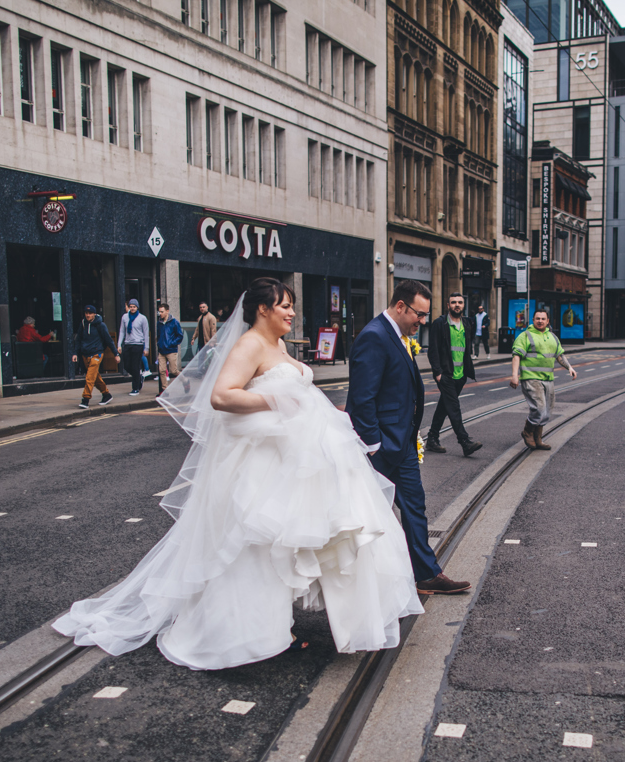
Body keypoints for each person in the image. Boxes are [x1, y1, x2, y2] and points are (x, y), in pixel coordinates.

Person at [53, 279, 423, 669]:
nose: (291, 313)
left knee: (280, 546)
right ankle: (245, 633)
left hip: (294, 459)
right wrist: (277, 399)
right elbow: (221, 395)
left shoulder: (278, 345)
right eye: (284, 306)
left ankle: (282, 625)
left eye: (292, 306)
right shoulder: (249, 344)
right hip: (263, 461)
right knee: (255, 549)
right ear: (262, 309)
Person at [346, 280, 472, 596]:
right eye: (419, 314)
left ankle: (428, 574)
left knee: (415, 507)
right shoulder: (374, 337)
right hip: (380, 448)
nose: (423, 321)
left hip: (401, 444)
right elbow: (362, 399)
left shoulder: (401, 335)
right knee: (367, 516)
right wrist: (374, 446)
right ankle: (361, 581)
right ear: (400, 306)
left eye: (426, 315)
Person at [509, 309, 577, 450]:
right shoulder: (525, 336)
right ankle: (528, 431)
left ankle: (538, 438)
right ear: (533, 320)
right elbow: (516, 356)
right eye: (537, 318)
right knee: (539, 408)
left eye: (543, 319)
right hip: (531, 378)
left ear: (547, 321)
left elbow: (559, 355)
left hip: (548, 379)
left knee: (547, 411)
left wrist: (569, 367)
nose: (540, 321)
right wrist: (515, 375)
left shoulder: (552, 337)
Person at [426, 293, 483, 457]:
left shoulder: (467, 323)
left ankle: (432, 438)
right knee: (454, 408)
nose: (457, 305)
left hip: (461, 375)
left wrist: (466, 372)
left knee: (444, 406)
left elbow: (466, 348)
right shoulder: (440, 323)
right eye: (453, 302)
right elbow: (433, 350)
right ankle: (465, 442)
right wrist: (437, 373)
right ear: (447, 305)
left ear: (463, 305)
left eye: (459, 302)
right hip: (446, 375)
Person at [71, 304, 116, 409]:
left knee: (89, 377)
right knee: (95, 377)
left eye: (90, 313)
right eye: (86, 313)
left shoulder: (100, 325)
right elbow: (78, 340)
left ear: (94, 314)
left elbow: (108, 340)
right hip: (85, 354)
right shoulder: (83, 324)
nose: (88, 315)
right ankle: (106, 394)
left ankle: (85, 399)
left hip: (97, 354)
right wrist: (75, 353)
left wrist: (116, 354)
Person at [117, 299, 150, 396]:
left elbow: (146, 334)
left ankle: (135, 388)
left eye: (134, 307)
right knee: (127, 366)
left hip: (138, 344)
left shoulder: (142, 318)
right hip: (127, 344)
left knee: (135, 366)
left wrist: (146, 348)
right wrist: (119, 344)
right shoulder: (125, 317)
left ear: (137, 307)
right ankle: (139, 377)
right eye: (131, 306)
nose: (132, 308)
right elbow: (122, 331)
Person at [157, 303, 184, 395]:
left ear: (167, 311)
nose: (160, 313)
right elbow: (158, 335)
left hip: (171, 350)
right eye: (159, 311)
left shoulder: (174, 322)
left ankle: (185, 380)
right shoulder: (159, 323)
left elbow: (180, 336)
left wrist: (171, 343)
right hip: (161, 350)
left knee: (174, 371)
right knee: (162, 371)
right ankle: (165, 390)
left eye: (162, 311)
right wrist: (159, 344)